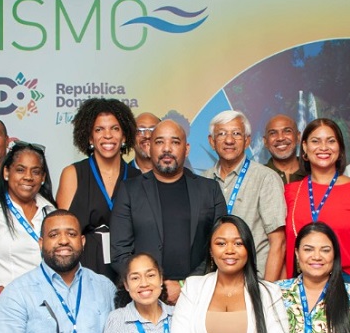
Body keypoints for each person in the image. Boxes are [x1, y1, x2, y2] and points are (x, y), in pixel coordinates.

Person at [110, 120, 227, 304]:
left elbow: (221, 246)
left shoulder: (210, 190)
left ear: (186, 149)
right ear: (149, 148)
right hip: (145, 299)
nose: (166, 148)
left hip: (199, 297)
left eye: (175, 142)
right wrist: (154, 286)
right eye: (159, 142)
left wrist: (185, 286)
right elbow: (119, 252)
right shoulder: (129, 191)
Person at [282, 118, 350, 281]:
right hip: (299, 289)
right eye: (315, 141)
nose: (323, 147)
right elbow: (282, 248)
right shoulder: (289, 192)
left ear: (340, 149)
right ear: (305, 147)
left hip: (349, 286)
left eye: (331, 141)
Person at [57, 98, 139, 280]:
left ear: (124, 136)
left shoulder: (138, 178)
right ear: (89, 137)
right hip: (83, 269)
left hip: (128, 270)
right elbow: (63, 231)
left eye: (115, 128)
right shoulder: (73, 174)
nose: (107, 135)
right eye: (99, 129)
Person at [204, 110, 287, 280]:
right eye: (222, 134)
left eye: (236, 133)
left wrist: (266, 289)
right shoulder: (203, 180)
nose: (229, 140)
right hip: (215, 282)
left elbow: (278, 241)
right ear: (212, 141)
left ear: (247, 140)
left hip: (255, 280)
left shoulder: (265, 178)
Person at [0, 142, 57, 292]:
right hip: (3, 298)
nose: (28, 177)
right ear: (6, 172)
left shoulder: (51, 211)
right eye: (20, 170)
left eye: (35, 172)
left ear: (43, 178)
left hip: (48, 297)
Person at [263, 115, 308, 186]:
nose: (280, 138)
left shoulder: (314, 172)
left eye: (287, 131)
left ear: (298, 137)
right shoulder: (257, 175)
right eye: (273, 133)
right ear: (265, 141)